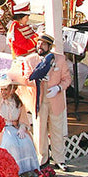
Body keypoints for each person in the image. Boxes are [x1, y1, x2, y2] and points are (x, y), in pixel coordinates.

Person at [11, 33, 72, 169]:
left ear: (49, 47)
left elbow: (67, 79)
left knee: (57, 130)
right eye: (38, 43)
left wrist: (58, 88)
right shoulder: (30, 60)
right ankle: (42, 159)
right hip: (39, 100)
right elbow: (26, 79)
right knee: (39, 131)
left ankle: (59, 159)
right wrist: (36, 81)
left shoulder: (60, 59)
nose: (40, 46)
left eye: (43, 44)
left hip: (55, 100)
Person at [0, 76, 39, 174]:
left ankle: (28, 170)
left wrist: (22, 128)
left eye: (6, 89)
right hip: (1, 129)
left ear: (12, 90)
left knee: (26, 142)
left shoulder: (18, 102)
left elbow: (23, 119)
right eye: (1, 89)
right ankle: (12, 172)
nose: (3, 92)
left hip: (15, 128)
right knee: (11, 143)